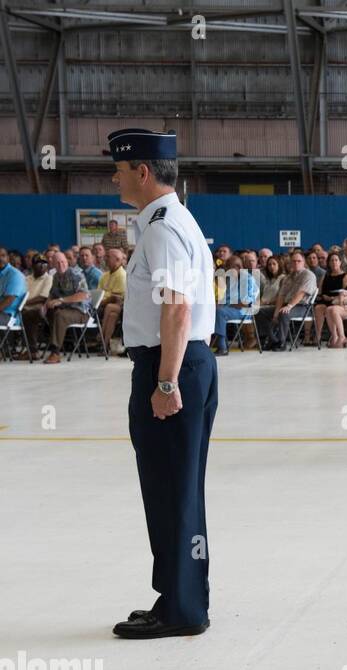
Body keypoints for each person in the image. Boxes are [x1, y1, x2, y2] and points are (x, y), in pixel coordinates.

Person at [105, 128, 219, 640]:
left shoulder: (162, 227)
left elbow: (177, 308)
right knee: (176, 487)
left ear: (143, 172)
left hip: (171, 366)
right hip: (178, 364)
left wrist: (166, 383)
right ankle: (180, 596)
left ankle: (182, 608)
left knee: (172, 488)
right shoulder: (172, 220)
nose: (116, 176)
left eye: (121, 169)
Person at [212, 253, 259, 355]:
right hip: (231, 309)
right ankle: (214, 342)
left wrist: (226, 305)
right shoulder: (231, 280)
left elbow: (247, 302)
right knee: (213, 309)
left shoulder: (247, 278)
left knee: (220, 312)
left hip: (244, 311)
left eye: (228, 268)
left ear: (238, 267)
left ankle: (222, 347)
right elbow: (225, 298)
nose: (226, 270)